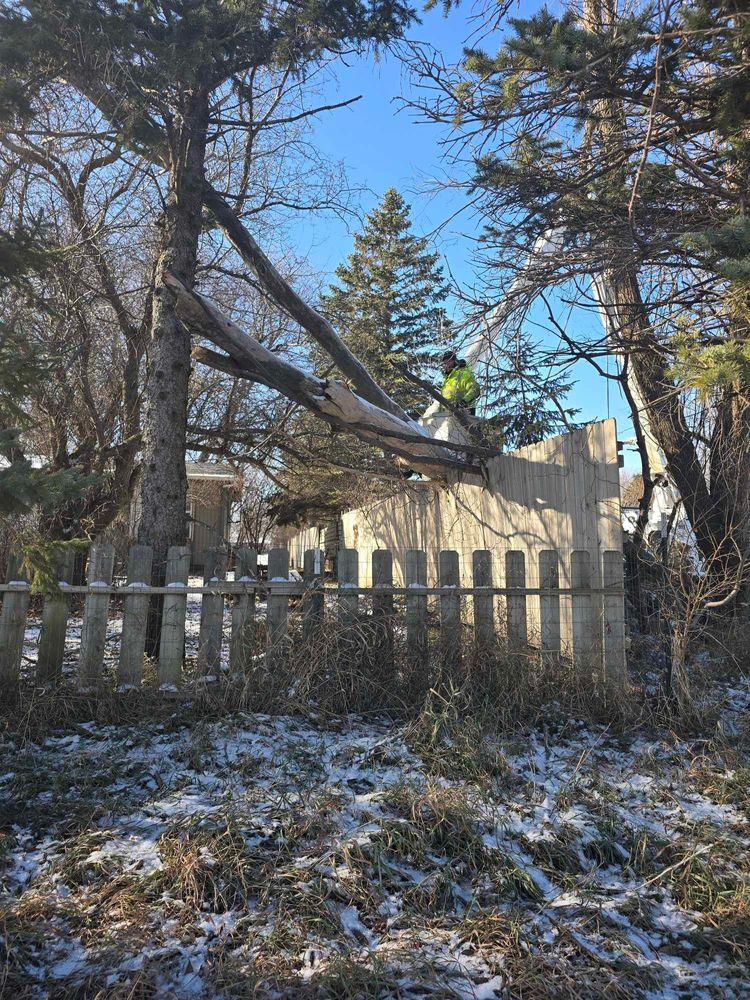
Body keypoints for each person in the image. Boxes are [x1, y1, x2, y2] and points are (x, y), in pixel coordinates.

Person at [440, 350, 480, 415]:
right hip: (448, 414)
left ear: (455, 361)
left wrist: (463, 402)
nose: (446, 364)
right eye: (445, 362)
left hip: (465, 412)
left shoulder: (463, 373)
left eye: (449, 361)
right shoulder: (447, 379)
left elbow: (475, 389)